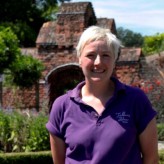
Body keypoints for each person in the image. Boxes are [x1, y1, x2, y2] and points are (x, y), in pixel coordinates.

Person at [46, 26, 159, 164]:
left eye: (105, 55)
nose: (98, 62)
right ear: (80, 59)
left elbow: (151, 160)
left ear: (114, 60)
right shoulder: (62, 106)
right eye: (90, 55)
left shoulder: (136, 100)